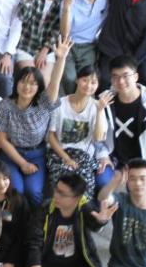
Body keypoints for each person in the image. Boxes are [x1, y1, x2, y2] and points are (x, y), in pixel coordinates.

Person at [0, 36, 71, 206]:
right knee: (16, 191)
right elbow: (1, 140)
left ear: (39, 87)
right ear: (16, 83)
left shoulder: (44, 102)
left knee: (34, 192)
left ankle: (35, 221)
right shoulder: (5, 105)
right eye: (23, 81)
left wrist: (61, 59)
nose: (27, 87)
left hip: (36, 155)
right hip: (11, 154)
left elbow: (55, 82)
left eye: (33, 84)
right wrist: (22, 163)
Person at [27, 172, 116, 267]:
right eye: (56, 190)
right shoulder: (45, 209)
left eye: (62, 194)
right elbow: (34, 245)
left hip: (77, 266)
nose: (56, 195)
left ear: (77, 198)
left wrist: (101, 221)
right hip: (48, 265)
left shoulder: (84, 208)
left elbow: (94, 222)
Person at [46, 65, 114, 198]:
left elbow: (98, 138)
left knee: (84, 190)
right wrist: (66, 159)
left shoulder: (97, 106)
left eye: (93, 82)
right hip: (60, 154)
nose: (88, 85)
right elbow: (51, 137)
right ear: (77, 80)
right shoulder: (60, 104)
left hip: (84, 156)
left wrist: (100, 111)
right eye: (85, 80)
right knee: (62, 188)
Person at [102, 55, 146, 177]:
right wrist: (103, 155)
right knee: (102, 179)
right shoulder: (105, 100)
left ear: (136, 77)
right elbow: (97, 135)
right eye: (115, 77)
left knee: (138, 184)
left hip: (141, 163)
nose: (121, 81)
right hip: (113, 161)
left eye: (125, 76)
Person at [16, 0, 71, 85]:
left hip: (48, 48)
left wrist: (45, 50)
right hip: (25, 45)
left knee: (44, 82)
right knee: (31, 79)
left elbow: (58, 28)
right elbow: (22, 16)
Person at [63, 0, 108, 93]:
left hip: (89, 46)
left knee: (88, 78)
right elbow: (65, 33)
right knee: (69, 78)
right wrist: (67, 9)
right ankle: (69, 102)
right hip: (69, 44)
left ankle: (83, 103)